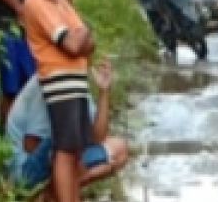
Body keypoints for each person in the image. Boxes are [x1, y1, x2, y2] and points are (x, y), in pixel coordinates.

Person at [18, 0, 96, 202]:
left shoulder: (59, 2)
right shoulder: (35, 3)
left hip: (75, 81)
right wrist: (84, 31)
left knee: (75, 151)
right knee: (64, 150)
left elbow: (88, 45)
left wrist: (83, 35)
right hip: (59, 82)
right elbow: (76, 43)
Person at [8, 60, 128, 192]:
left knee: (119, 149)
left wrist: (104, 92)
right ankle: (53, 191)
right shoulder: (47, 80)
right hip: (25, 169)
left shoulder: (77, 84)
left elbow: (98, 137)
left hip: (56, 155)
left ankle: (54, 193)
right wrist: (75, 160)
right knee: (69, 141)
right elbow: (30, 144)